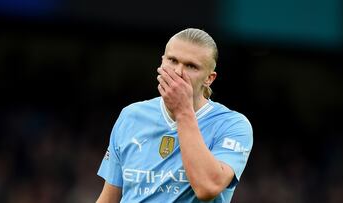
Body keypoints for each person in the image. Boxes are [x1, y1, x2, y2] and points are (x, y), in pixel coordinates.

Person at [96, 28, 253, 203]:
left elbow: (207, 187)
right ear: (162, 62)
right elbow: (109, 198)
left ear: (209, 78)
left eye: (191, 66)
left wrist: (183, 111)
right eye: (172, 60)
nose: (178, 72)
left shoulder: (232, 125)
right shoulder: (131, 116)